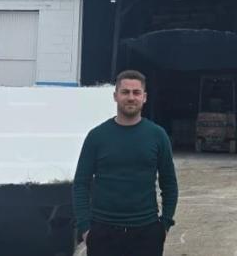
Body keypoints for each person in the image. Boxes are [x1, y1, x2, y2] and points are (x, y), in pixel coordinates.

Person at [73, 70, 178, 256]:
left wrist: (165, 224)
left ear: (144, 97)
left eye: (136, 92)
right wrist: (85, 228)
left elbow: (169, 183)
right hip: (103, 233)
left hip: (146, 233)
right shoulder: (96, 136)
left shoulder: (157, 136)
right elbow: (81, 184)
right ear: (115, 96)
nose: (131, 97)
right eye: (125, 92)